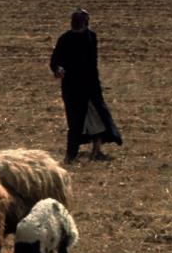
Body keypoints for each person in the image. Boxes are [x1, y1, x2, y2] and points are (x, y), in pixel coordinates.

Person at [49, 9, 123, 163]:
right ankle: (71, 156)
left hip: (89, 87)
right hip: (73, 88)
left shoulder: (90, 37)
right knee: (75, 123)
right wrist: (58, 69)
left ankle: (96, 151)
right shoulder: (66, 39)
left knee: (98, 119)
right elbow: (55, 60)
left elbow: (91, 64)